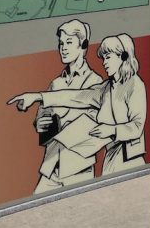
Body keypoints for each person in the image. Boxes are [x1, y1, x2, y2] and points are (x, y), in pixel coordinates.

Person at [8, 33, 146, 175]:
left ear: (122, 57)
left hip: (130, 159)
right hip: (110, 159)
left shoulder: (135, 84)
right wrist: (37, 97)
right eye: (103, 58)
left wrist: (111, 130)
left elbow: (137, 127)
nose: (104, 62)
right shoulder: (105, 89)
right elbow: (74, 97)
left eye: (108, 57)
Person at [30, 20, 101, 193]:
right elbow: (42, 115)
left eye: (69, 43)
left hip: (78, 168)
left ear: (83, 46)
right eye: (61, 43)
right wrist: (39, 124)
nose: (63, 48)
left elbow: (94, 125)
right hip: (52, 166)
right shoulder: (56, 83)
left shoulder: (95, 82)